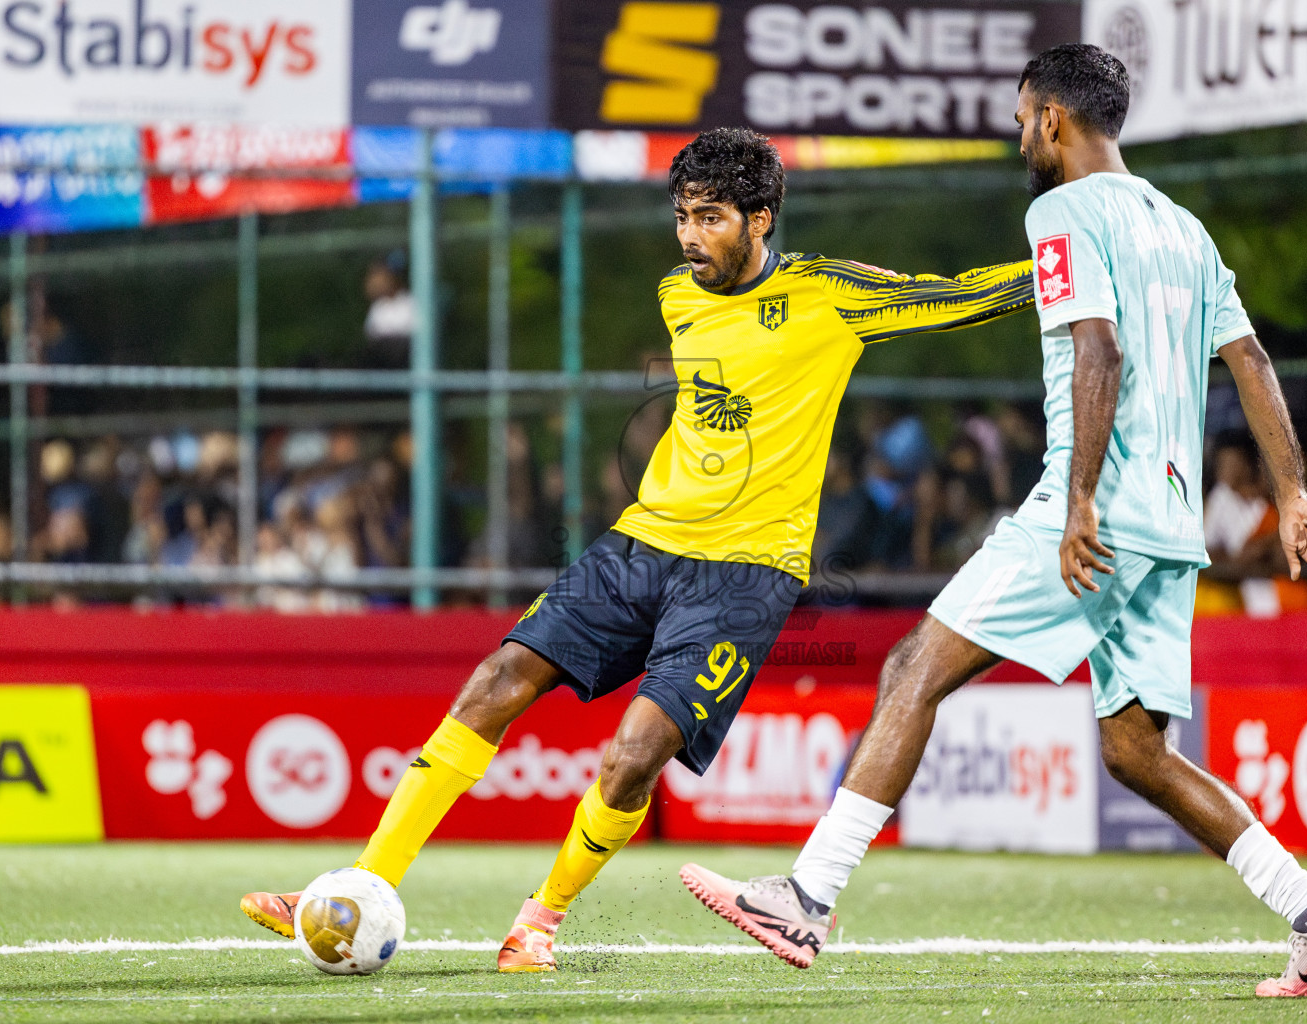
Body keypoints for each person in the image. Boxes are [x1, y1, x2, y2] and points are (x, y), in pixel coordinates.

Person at [238, 127, 1036, 971]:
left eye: (714, 218)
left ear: (761, 219)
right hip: (642, 542)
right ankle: (362, 884)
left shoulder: (828, 295)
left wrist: (1072, 268)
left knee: (632, 755)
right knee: (495, 682)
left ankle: (537, 922)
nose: (692, 236)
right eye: (683, 216)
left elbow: (962, 294)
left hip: (746, 577)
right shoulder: (677, 294)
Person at [680, 45, 1307, 1000]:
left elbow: (1099, 346)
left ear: (1053, 117)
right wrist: (1293, 490)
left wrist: (1080, 498)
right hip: (1173, 532)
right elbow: (1251, 361)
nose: (1019, 136)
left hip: (1094, 511)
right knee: (1137, 751)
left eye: (1020, 119)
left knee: (913, 666)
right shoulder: (1183, 227)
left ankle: (806, 896)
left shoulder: (1058, 210)